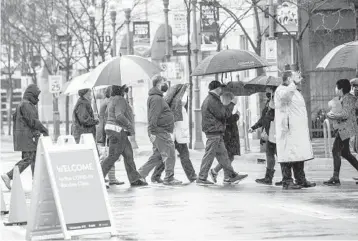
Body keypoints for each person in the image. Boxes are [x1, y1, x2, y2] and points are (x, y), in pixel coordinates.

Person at [197, 80, 248, 185]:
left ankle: (232, 175)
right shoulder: (213, 100)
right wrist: (232, 103)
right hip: (214, 132)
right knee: (209, 155)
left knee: (224, 156)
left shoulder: (211, 99)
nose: (222, 90)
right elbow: (224, 114)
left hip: (216, 132)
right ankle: (201, 178)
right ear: (217, 88)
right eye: (221, 88)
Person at [1, 84, 49, 190]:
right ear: (31, 95)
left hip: (27, 137)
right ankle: (9, 175)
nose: (38, 99)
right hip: (28, 137)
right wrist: (43, 129)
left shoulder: (24, 104)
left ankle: (36, 183)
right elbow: (33, 121)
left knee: (34, 159)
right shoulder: (26, 105)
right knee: (29, 159)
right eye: (36, 96)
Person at [274, 71, 316, 190]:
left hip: (297, 129)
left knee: (299, 154)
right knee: (288, 155)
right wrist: (293, 84)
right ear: (288, 79)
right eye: (295, 77)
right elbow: (284, 97)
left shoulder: (295, 91)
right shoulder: (281, 89)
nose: (299, 79)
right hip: (288, 129)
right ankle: (287, 181)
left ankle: (300, 179)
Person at [138, 75, 182, 185]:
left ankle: (140, 174)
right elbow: (153, 116)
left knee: (158, 156)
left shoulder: (156, 97)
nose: (166, 84)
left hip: (159, 131)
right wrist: (152, 132)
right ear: (158, 84)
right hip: (159, 131)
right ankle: (169, 178)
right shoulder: (156, 99)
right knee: (170, 153)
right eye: (164, 82)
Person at [150, 84, 197, 183]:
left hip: (177, 134)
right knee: (182, 155)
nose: (187, 92)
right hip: (176, 134)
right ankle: (191, 176)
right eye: (186, 90)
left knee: (170, 155)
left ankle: (156, 176)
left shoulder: (177, 104)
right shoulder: (177, 103)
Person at [101, 85, 147, 187]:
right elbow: (119, 115)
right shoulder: (120, 100)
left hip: (114, 129)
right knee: (113, 156)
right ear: (121, 91)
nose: (127, 91)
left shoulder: (111, 100)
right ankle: (99, 178)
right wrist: (129, 125)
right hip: (117, 130)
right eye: (125, 90)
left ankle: (134, 179)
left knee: (128, 154)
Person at [323, 79, 358, 186]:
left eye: (336, 87)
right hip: (344, 128)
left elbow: (346, 114)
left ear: (340, 88)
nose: (335, 89)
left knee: (335, 150)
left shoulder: (348, 98)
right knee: (345, 153)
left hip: (346, 129)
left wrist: (333, 115)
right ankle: (335, 177)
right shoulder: (344, 98)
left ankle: (335, 177)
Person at [249, 86, 280, 185]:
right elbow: (264, 118)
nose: (265, 90)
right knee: (270, 154)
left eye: (268, 89)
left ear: (272, 90)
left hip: (276, 133)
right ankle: (268, 178)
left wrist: (271, 108)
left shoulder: (277, 101)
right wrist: (254, 127)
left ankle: (286, 178)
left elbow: (271, 117)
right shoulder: (269, 102)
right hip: (269, 132)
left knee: (279, 155)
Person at [208, 92, 241, 183]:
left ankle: (224, 176)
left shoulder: (224, 106)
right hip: (228, 134)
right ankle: (218, 173)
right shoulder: (225, 107)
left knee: (228, 156)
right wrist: (237, 116)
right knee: (228, 157)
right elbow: (227, 120)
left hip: (230, 133)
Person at [97, 86, 124, 186]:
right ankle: (104, 177)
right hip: (107, 133)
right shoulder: (109, 103)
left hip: (105, 132)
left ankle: (111, 178)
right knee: (108, 156)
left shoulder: (106, 102)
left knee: (110, 155)